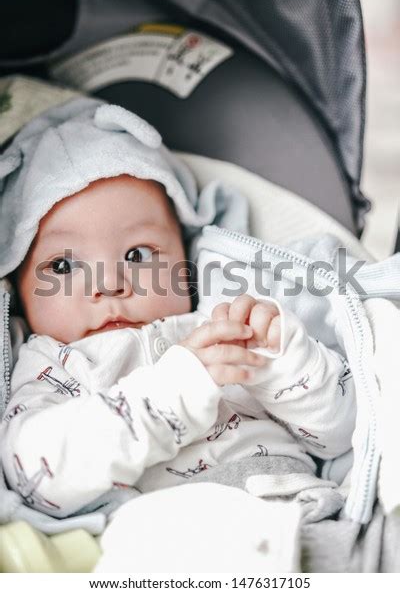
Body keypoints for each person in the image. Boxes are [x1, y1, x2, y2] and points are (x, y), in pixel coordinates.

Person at [0, 100, 355, 521]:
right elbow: (37, 478)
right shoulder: (52, 368)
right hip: (167, 545)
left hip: (306, 518)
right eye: (63, 266)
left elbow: (341, 437)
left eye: (136, 254)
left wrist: (286, 365)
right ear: (19, 292)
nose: (109, 283)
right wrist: (173, 393)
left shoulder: (221, 326)